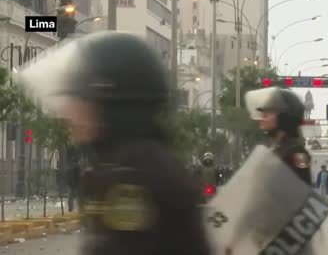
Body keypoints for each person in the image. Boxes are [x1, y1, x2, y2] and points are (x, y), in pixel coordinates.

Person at [19, 32, 210, 255]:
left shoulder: (135, 179)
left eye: (81, 98)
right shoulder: (121, 165)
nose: (69, 114)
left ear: (114, 104)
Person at [245, 87, 311, 185]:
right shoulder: (271, 148)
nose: (262, 117)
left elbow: (301, 190)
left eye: (268, 113)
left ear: (284, 117)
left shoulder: (296, 152)